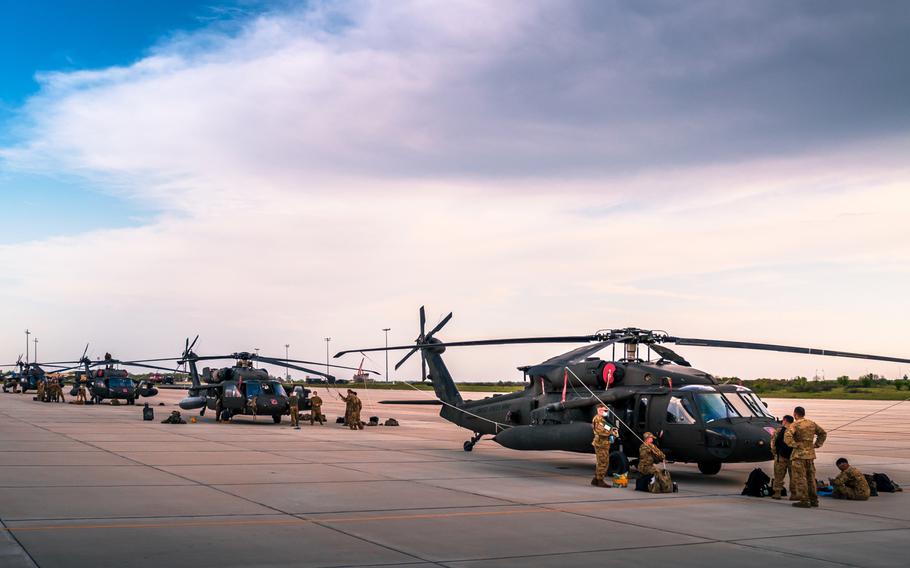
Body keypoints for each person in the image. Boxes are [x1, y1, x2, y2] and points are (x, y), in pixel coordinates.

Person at [784, 406, 827, 508]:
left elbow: (787, 436)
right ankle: (814, 500)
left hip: (799, 455)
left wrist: (794, 444)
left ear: (795, 414)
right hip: (810, 455)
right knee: (811, 478)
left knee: (800, 478)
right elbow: (823, 433)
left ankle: (804, 500)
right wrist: (816, 444)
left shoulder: (795, 424)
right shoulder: (811, 423)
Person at [591, 405, 617, 487]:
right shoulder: (598, 420)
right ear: (599, 410)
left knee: (600, 462)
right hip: (601, 444)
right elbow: (601, 432)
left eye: (606, 411)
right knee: (604, 462)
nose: (605, 412)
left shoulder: (603, 419)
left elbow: (608, 427)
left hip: (604, 443)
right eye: (604, 411)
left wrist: (612, 429)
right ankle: (600, 480)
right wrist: (612, 433)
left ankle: (596, 479)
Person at [770, 415, 795, 500]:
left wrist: (775, 454)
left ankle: (777, 493)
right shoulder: (795, 430)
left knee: (778, 475)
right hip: (793, 457)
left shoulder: (779, 430)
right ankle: (794, 494)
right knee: (794, 476)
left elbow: (773, 443)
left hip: (781, 457)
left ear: (785, 420)